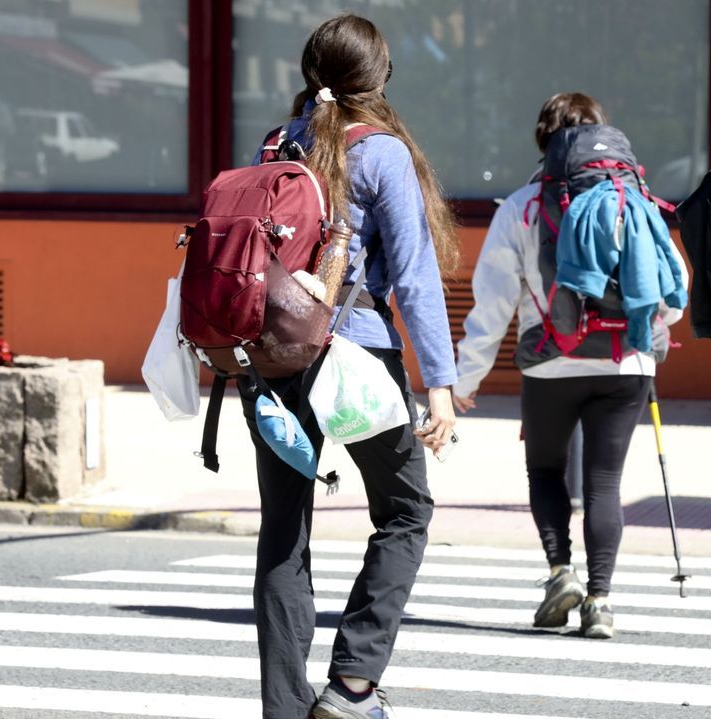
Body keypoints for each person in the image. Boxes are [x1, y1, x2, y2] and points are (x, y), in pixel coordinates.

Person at [242, 14, 459, 719]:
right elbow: (418, 276)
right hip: (354, 355)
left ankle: (284, 706)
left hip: (270, 357)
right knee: (404, 510)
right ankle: (352, 683)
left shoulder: (276, 144)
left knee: (285, 526)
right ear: (380, 78)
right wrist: (442, 385)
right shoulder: (383, 152)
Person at [453, 92, 685, 640]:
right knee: (605, 483)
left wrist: (465, 381)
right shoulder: (637, 201)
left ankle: (562, 573)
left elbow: (492, 304)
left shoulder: (522, 206)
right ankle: (601, 601)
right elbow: (672, 297)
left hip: (549, 362)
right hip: (626, 362)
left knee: (545, 472)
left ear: (544, 139)